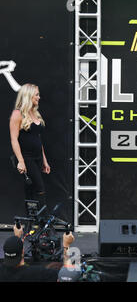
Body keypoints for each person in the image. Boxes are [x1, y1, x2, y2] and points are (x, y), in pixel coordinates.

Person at [9, 83, 51, 212]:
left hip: (37, 157)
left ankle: (31, 224)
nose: (39, 97)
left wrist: (44, 161)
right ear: (28, 95)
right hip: (26, 158)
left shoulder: (34, 113)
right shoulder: (17, 114)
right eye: (36, 94)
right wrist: (21, 161)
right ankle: (43, 223)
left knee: (31, 190)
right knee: (40, 188)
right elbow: (14, 139)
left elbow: (38, 139)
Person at [0, 223, 75, 282]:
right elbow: (67, 277)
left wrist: (17, 238)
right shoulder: (38, 273)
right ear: (22, 252)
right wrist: (66, 245)